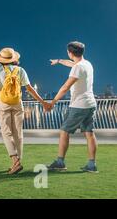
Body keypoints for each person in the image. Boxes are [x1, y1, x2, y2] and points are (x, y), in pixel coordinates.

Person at [0, 27, 49, 175]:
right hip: (18, 103)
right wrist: (43, 102)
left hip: (3, 102)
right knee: (18, 134)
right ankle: (18, 161)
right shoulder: (21, 71)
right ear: (14, 59)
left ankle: (15, 161)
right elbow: (30, 89)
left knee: (6, 132)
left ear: (2, 58)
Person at [46, 41, 98, 173]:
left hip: (79, 105)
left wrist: (52, 102)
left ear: (70, 53)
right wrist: (58, 61)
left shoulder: (78, 67)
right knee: (90, 134)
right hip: (90, 104)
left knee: (64, 131)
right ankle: (92, 165)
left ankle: (60, 162)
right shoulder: (87, 64)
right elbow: (72, 64)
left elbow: (65, 87)